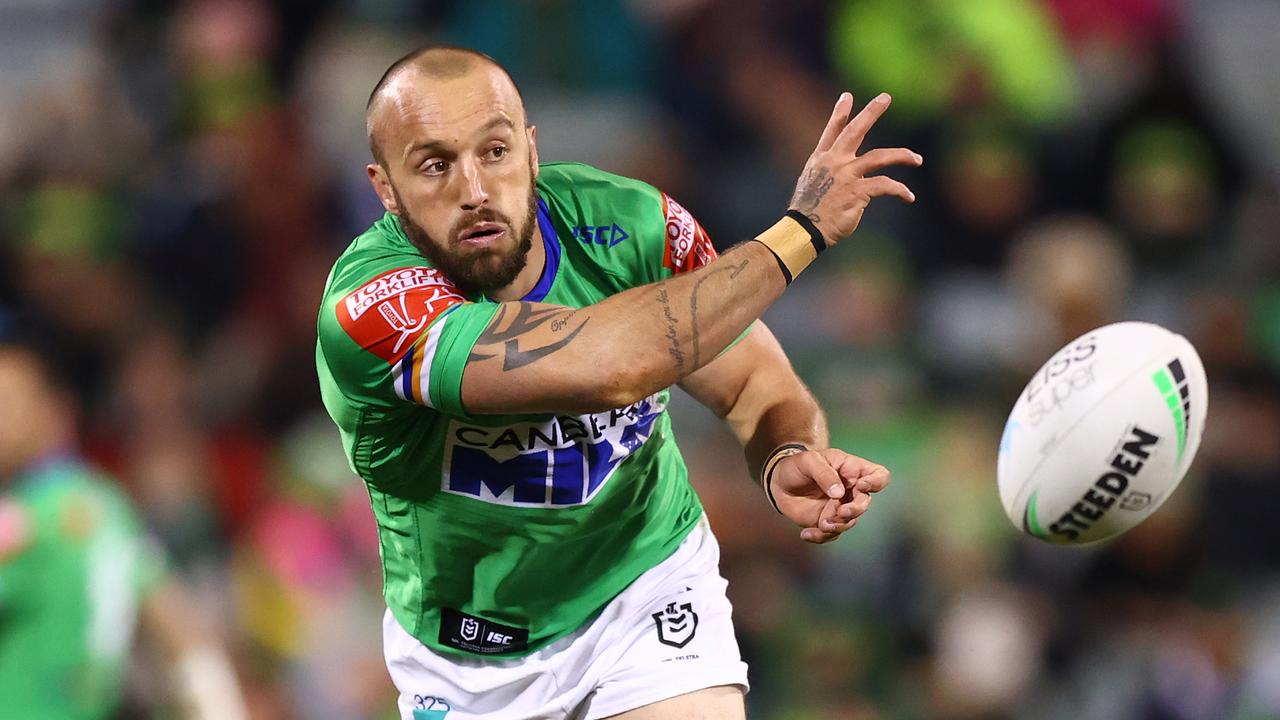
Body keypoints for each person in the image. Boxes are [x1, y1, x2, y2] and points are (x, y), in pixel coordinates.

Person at [315, 45, 921, 720]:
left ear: (532, 151)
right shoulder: (373, 308)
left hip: (645, 586)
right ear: (385, 187)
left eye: (495, 151)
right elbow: (606, 366)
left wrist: (781, 452)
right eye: (435, 165)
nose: (475, 190)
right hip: (471, 658)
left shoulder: (631, 227)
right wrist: (800, 231)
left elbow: (754, 381)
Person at [0, 337, 248, 720]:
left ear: (54, 411)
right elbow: (184, 632)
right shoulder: (107, 504)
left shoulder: (24, 518)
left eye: (8, 402)